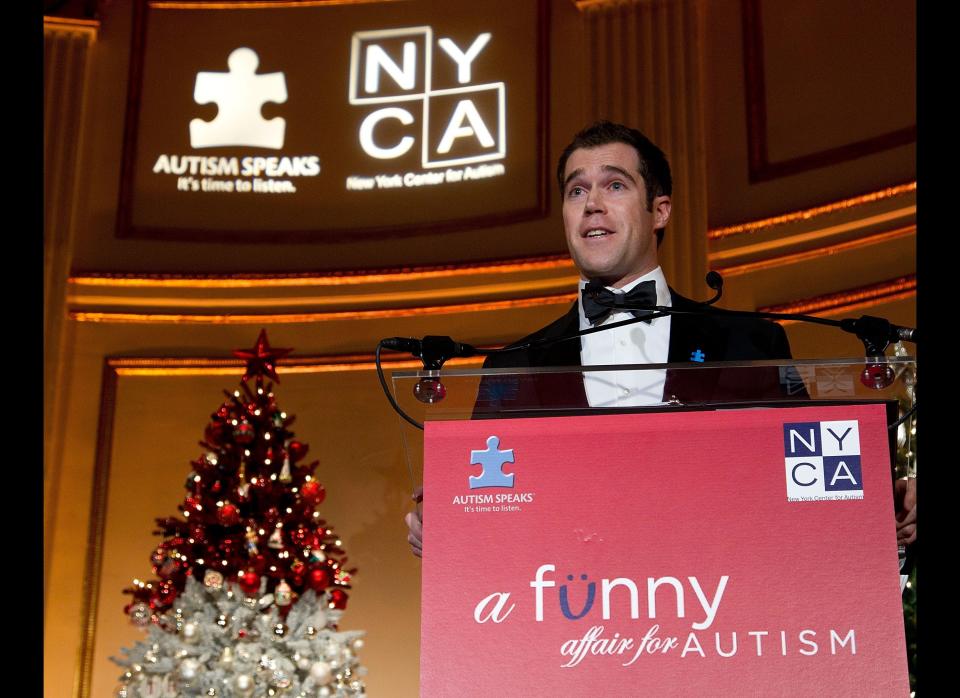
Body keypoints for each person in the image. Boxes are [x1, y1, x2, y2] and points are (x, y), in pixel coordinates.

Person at [405, 120, 916, 555]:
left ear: (661, 210)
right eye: (576, 190)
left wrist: (877, 500)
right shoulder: (512, 368)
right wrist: (450, 522)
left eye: (615, 185)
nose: (592, 205)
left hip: (723, 627)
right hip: (567, 630)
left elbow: (808, 478)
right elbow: (492, 510)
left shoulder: (749, 342)